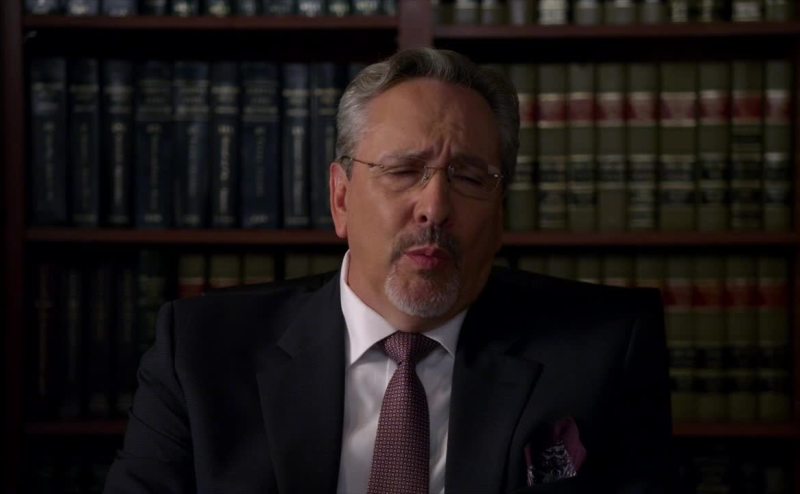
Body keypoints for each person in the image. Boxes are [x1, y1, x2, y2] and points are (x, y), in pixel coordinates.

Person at [105, 48, 672, 493]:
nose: (435, 207)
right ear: (341, 198)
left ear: (500, 214)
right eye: (403, 171)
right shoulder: (200, 351)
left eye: (469, 177)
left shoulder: (603, 351)